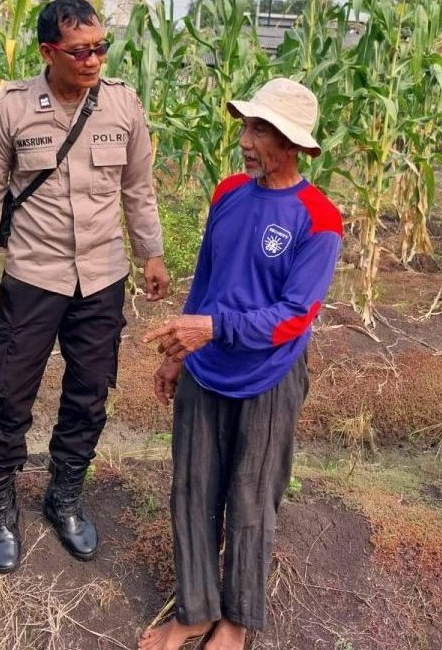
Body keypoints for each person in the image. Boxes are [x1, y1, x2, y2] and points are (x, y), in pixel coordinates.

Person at [0, 0, 169, 573]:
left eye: (101, 47)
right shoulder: (11, 108)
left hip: (102, 276)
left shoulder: (123, 103)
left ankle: (65, 495)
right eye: (80, 51)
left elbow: (138, 187)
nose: (94, 59)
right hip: (34, 274)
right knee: (7, 391)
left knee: (89, 392)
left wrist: (151, 253)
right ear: (48, 51)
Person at [138, 78, 342, 650]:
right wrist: (180, 352)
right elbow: (208, 278)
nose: (245, 141)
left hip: (268, 377)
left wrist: (212, 329)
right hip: (206, 367)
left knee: (251, 497)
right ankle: (195, 610)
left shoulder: (318, 218)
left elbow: (293, 316)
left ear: (293, 144)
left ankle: (237, 620)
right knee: (192, 488)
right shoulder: (228, 193)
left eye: (261, 131)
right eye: (246, 127)